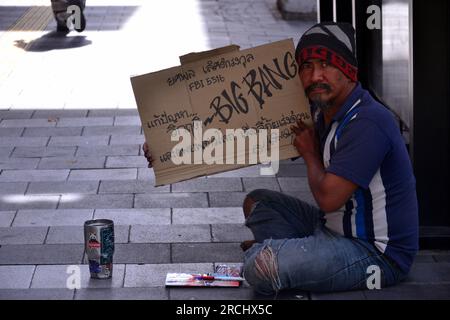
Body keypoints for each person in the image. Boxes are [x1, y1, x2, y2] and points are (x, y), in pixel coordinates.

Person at [142, 21, 418, 295]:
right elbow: (242, 137)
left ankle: (285, 257)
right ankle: (296, 256)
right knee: (258, 202)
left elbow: (328, 199)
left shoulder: (368, 121)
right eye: (307, 67)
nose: (315, 76)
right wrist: (168, 148)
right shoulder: (327, 111)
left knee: (260, 267)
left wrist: (310, 153)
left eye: (326, 65)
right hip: (330, 227)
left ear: (348, 71)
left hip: (376, 254)